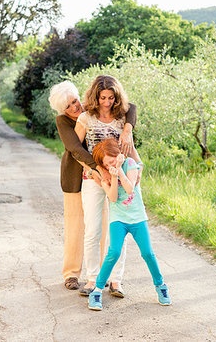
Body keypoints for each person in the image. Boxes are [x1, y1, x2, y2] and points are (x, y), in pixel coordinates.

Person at [48, 80, 136, 290]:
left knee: (104, 226)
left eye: (75, 101)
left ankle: (103, 274)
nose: (74, 107)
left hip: (103, 173)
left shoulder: (92, 105)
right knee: (77, 227)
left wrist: (128, 128)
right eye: (69, 106)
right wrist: (98, 171)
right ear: (63, 110)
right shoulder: (64, 121)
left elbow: (130, 107)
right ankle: (71, 274)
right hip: (78, 175)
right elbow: (75, 149)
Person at [75, 75, 142, 297]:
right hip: (94, 178)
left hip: (120, 177)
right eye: (103, 97)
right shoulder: (85, 118)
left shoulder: (123, 120)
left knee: (119, 232)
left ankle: (116, 280)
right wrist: (95, 170)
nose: (107, 102)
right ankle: (93, 278)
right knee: (93, 230)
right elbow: (76, 150)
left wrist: (138, 167)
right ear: (96, 96)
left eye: (111, 98)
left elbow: (129, 148)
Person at [88, 138, 171, 310]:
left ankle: (161, 286)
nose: (111, 163)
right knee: (114, 252)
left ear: (118, 154)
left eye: (113, 159)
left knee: (148, 253)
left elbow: (129, 188)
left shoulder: (130, 163)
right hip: (118, 218)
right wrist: (111, 174)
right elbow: (112, 198)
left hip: (137, 217)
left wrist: (119, 170)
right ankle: (97, 291)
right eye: (107, 163)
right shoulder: (105, 175)